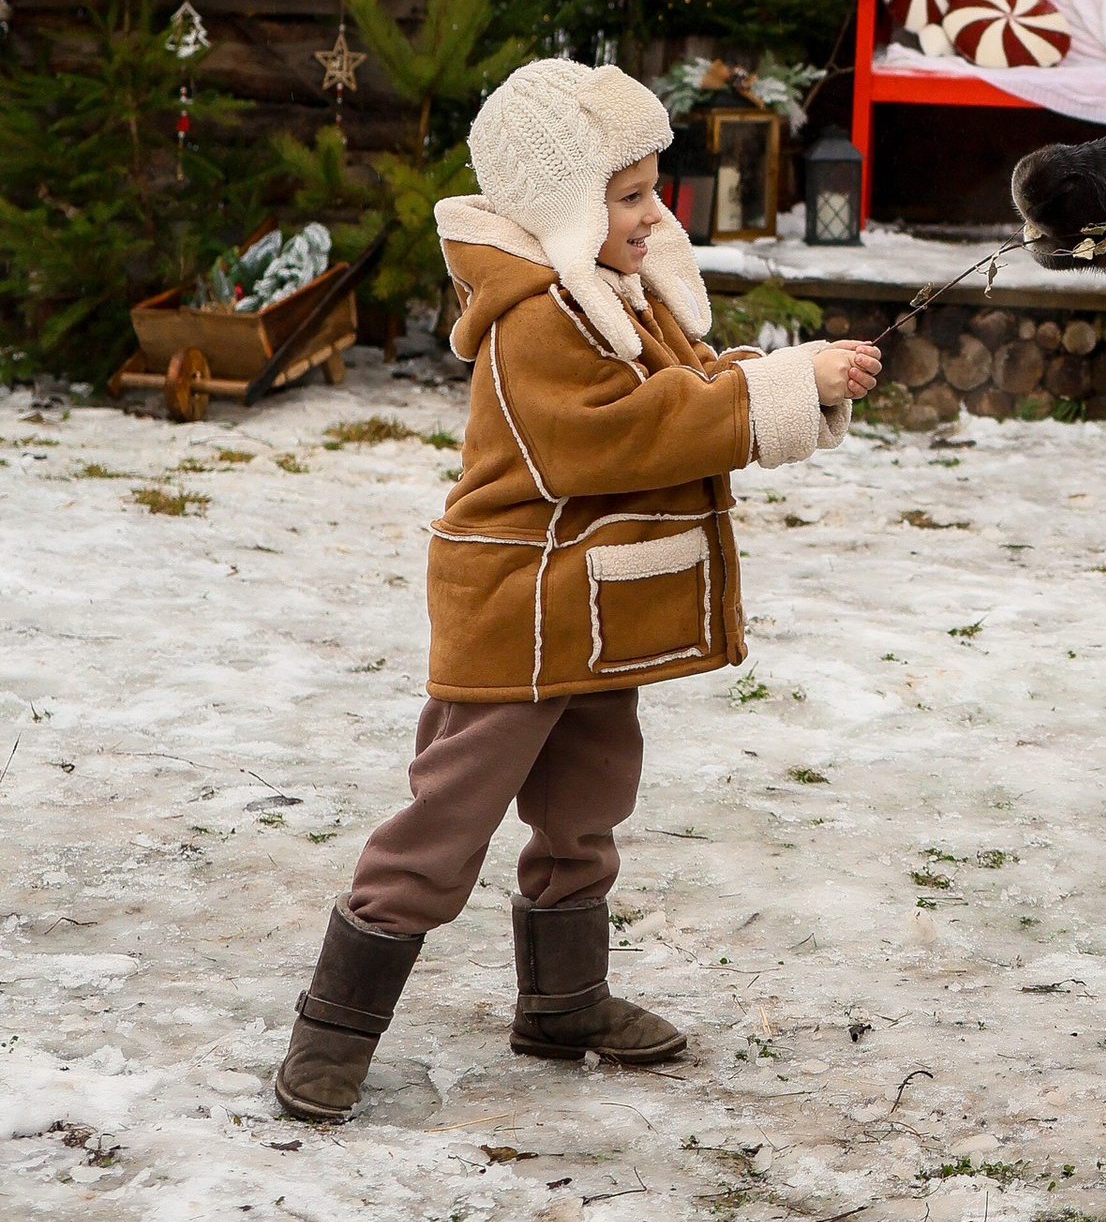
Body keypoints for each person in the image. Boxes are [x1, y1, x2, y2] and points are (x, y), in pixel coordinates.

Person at [273, 57, 881, 1124]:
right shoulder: (538, 318)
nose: (655, 215)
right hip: (517, 608)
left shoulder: (613, 293)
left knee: (585, 808)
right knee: (444, 824)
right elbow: (610, 435)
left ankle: (563, 1003)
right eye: (630, 194)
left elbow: (678, 389)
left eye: (654, 187)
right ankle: (331, 1033)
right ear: (561, 202)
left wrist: (792, 376)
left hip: (594, 606)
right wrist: (773, 393)